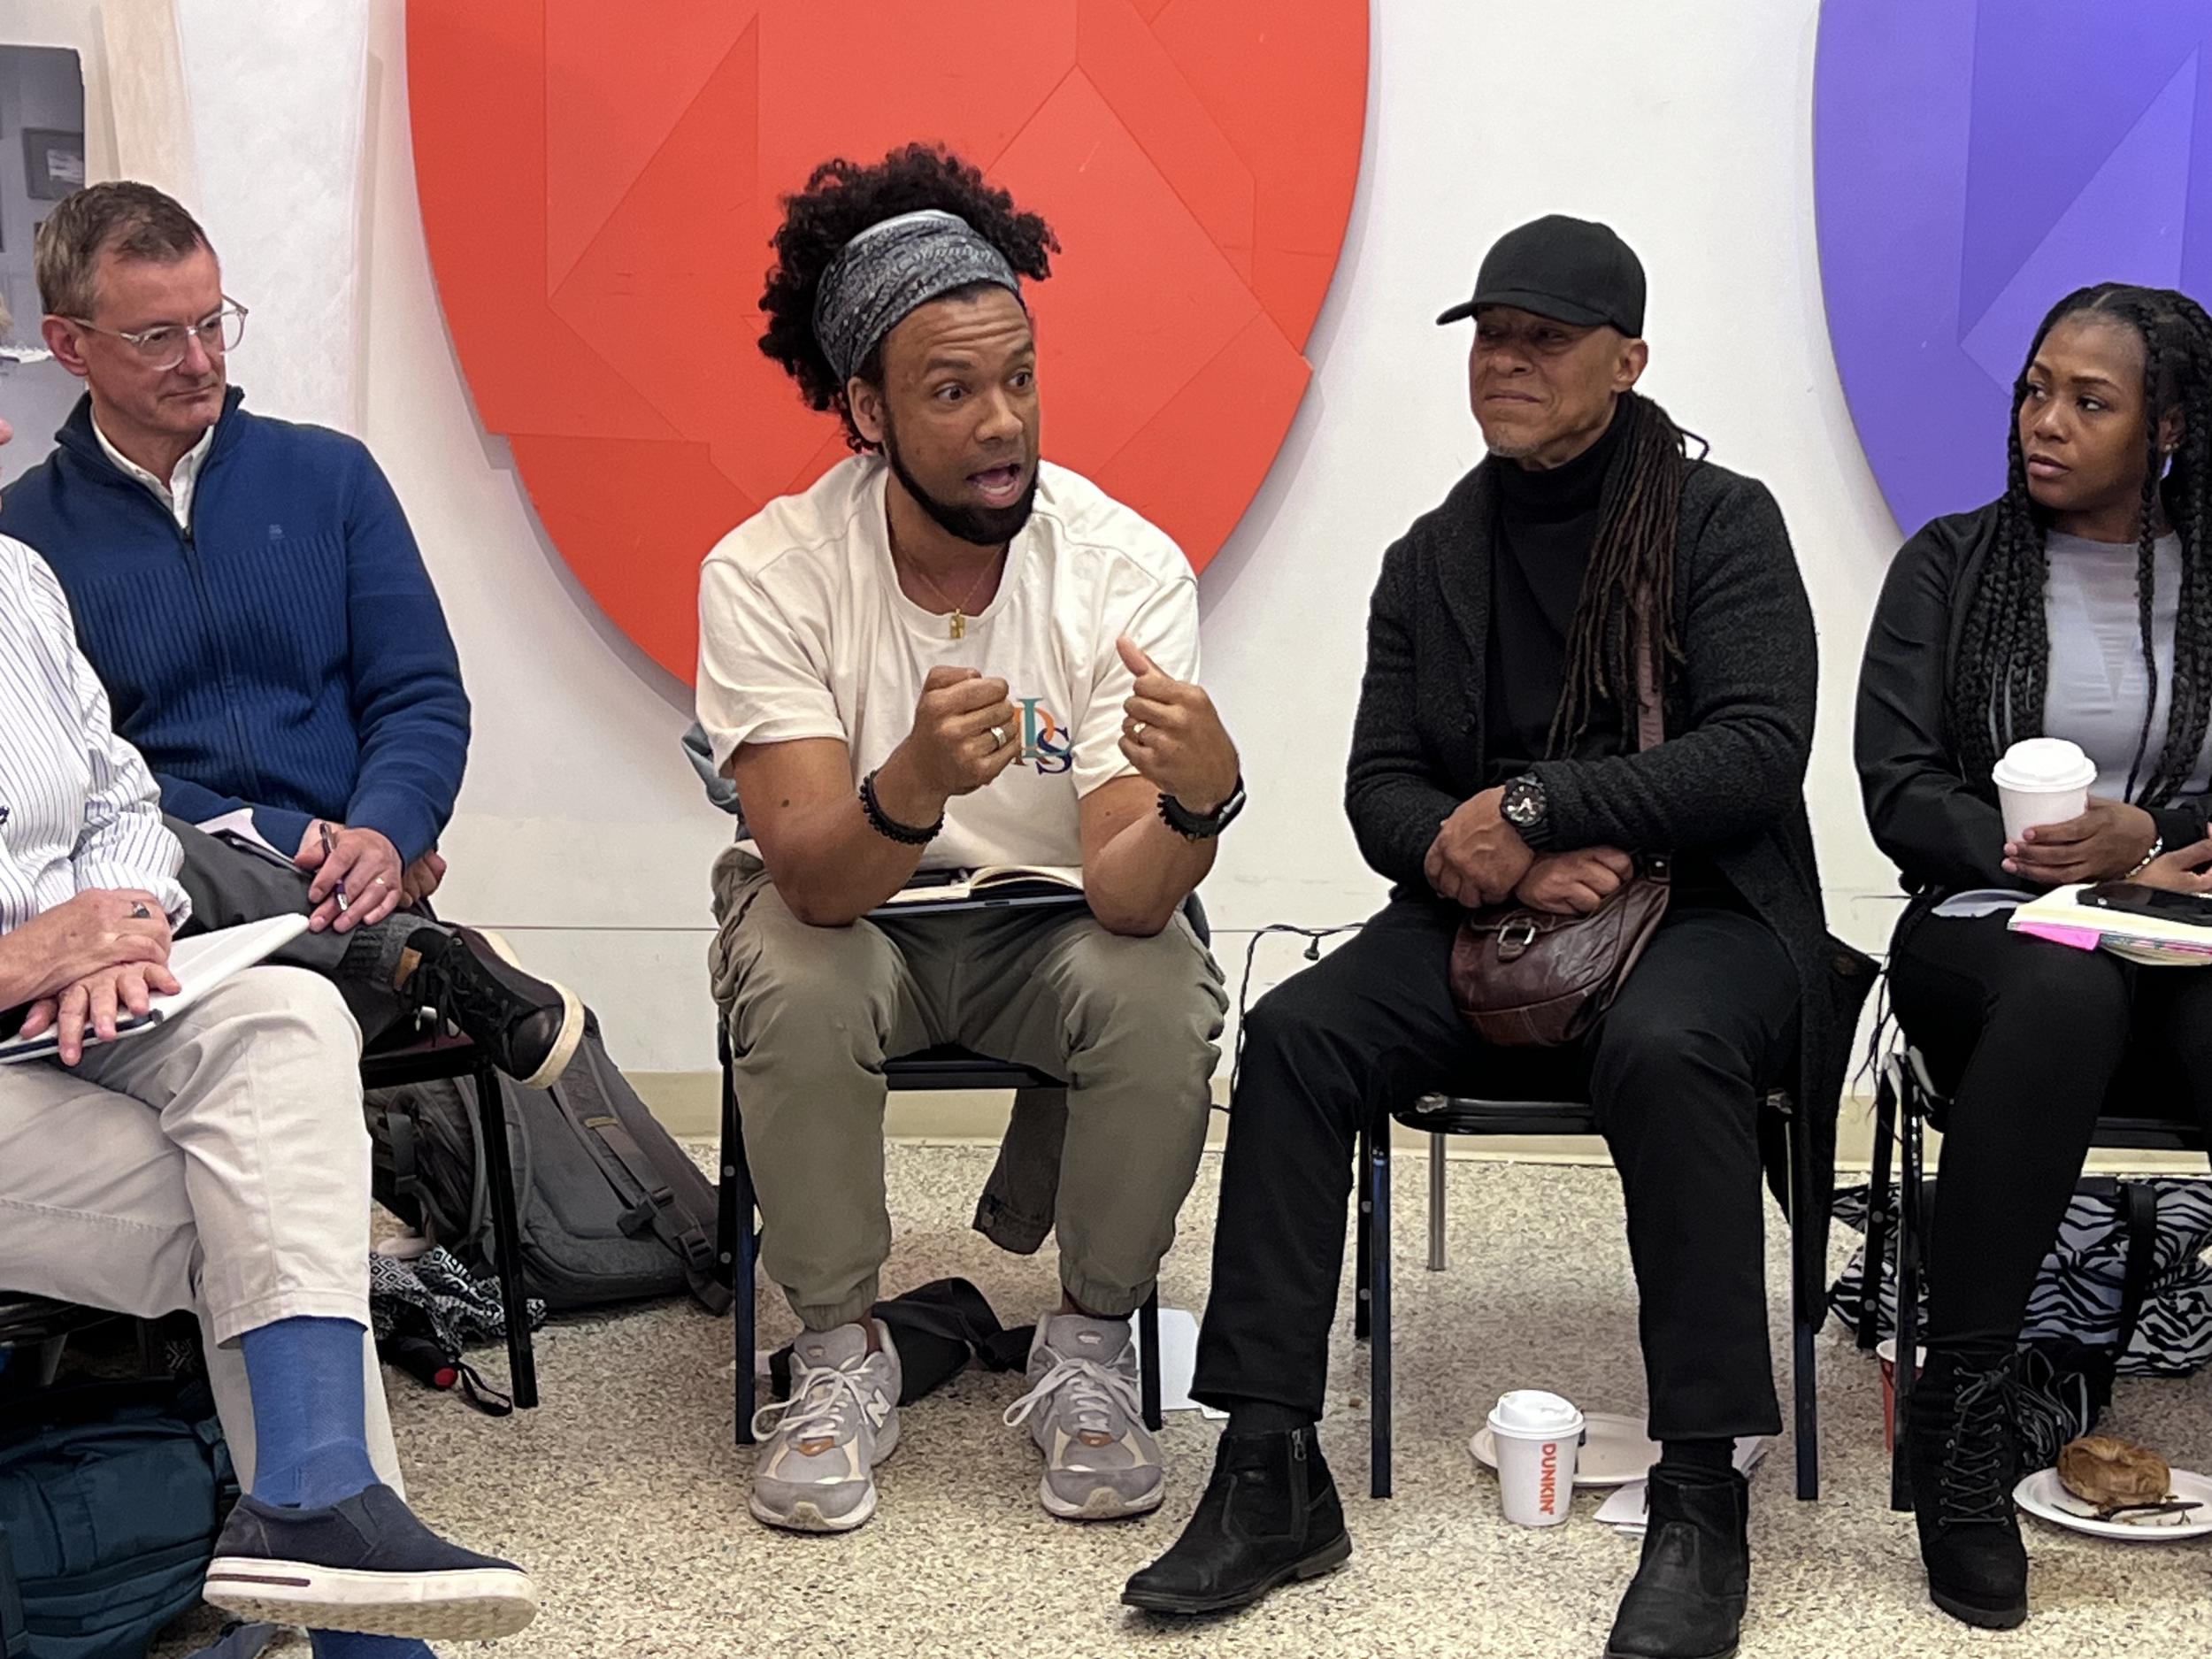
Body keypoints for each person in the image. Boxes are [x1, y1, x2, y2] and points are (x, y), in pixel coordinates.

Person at [1125, 216, 1872, 1659]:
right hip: (1488, 920)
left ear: (1627, 359)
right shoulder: (1435, 556)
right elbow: (1380, 790)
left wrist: (1535, 802)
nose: (1506, 360)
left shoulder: (1723, 526)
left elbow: (1756, 752)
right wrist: (1473, 853)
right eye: (1490, 334)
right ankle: (1271, 1467)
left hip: (1706, 908)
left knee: (1667, 1049)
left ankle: (1702, 1495)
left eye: (1542, 335)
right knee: (1296, 1034)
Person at [696, 144, 1238, 1535]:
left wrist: (1195, 804)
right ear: (865, 408)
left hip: (1048, 920)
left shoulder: (1124, 567)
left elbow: (1126, 901)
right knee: (796, 978)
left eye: (1020, 376)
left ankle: (1089, 1350)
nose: (1003, 421)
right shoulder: (767, 572)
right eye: (951, 390)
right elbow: (813, 874)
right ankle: (834, 1354)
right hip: (855, 914)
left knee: (1165, 985)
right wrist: (917, 781)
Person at [0, 393, 534, 1656]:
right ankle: (357, 1608)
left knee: (288, 1011)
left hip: (83, 996)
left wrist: (125, 914)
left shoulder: (15, 579)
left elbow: (121, 793)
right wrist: (21, 950)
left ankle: (310, 1499)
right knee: (264, 1199)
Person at [0, 181, 581, 1088]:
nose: (199, 360)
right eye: (158, 336)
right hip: (173, 898)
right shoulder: (24, 538)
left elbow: (418, 696)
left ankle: (661, 1231)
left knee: (544, 1107)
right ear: (70, 344)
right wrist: (284, 836)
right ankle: (408, 958)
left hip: (352, 881)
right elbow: (85, 780)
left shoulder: (330, 476)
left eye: (212, 322)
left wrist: (385, 834)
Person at [1855, 282, 2212, 1630]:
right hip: (1987, 934)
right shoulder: (1952, 565)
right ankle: (1964, 1419)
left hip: (2182, 930)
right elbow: (1899, 789)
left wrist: (2160, 831)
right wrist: (2066, 855)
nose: (2044, 422)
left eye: (2090, 400)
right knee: (2065, 991)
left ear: (2169, 423)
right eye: (2033, 389)